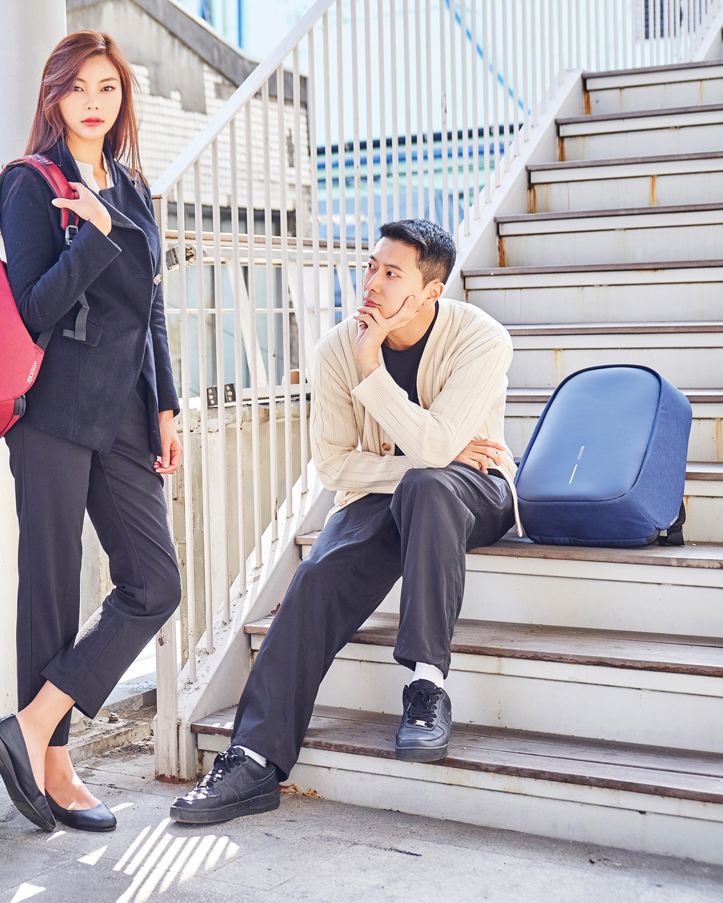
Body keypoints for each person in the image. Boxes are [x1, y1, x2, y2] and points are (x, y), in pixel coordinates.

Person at [168, 219, 519, 824]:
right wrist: (420, 452)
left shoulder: (481, 338)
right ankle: (253, 759)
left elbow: (438, 452)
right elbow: (333, 464)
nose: (371, 283)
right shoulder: (337, 347)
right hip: (380, 492)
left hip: (475, 489)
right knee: (317, 575)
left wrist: (376, 376)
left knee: (430, 485)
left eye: (392, 273)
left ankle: (427, 687)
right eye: (371, 267)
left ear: (431, 291)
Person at [0, 31, 183, 834]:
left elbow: (151, 305)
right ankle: (54, 764)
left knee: (155, 584)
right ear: (54, 98)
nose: (93, 102)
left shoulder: (133, 186)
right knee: (52, 587)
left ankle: (29, 728)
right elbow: (31, 307)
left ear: (122, 97)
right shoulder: (32, 184)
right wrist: (93, 237)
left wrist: (165, 406)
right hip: (55, 412)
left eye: (107, 87)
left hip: (127, 412)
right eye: (77, 88)